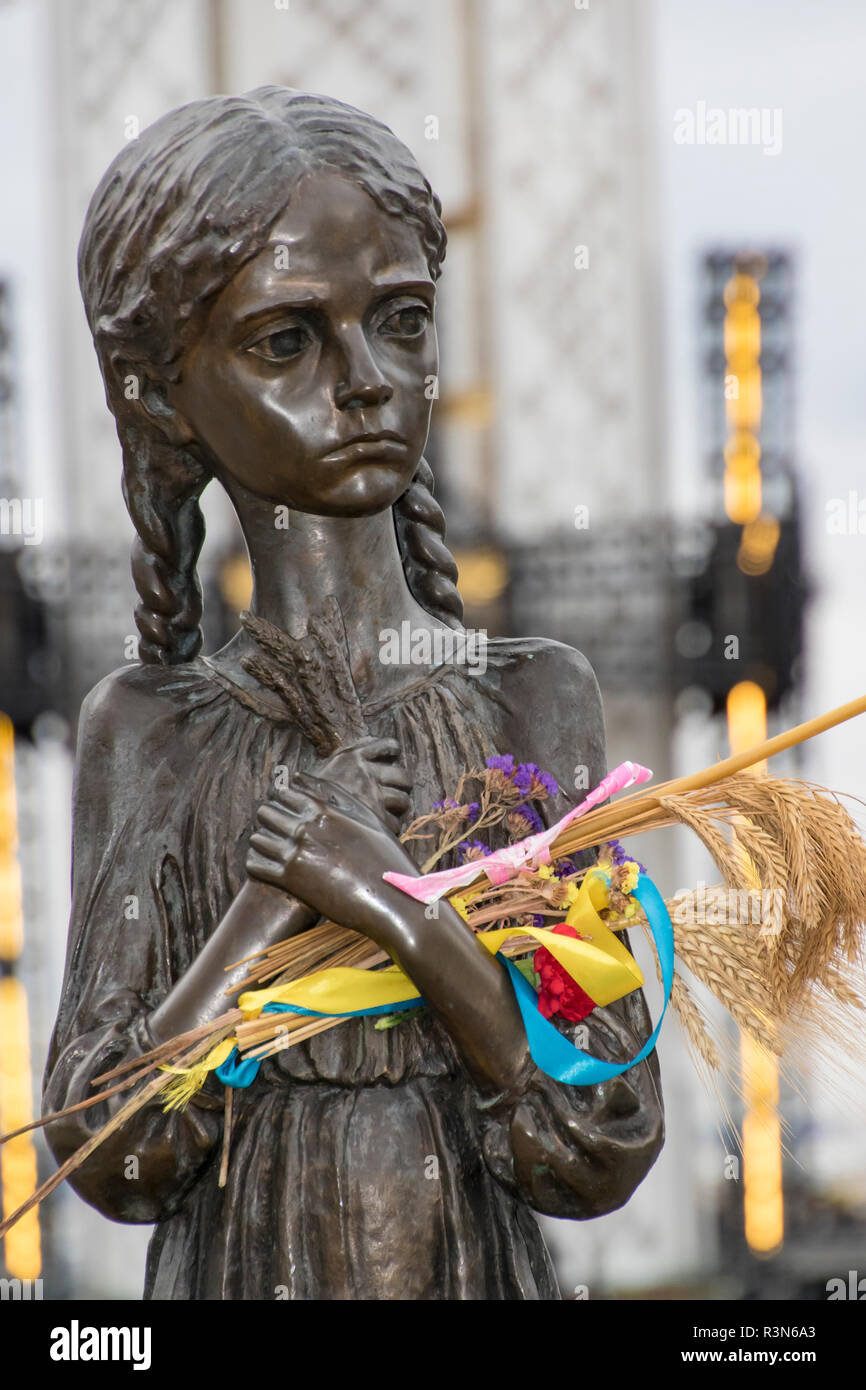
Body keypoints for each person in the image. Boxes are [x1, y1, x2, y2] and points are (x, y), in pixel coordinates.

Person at [43, 88, 663, 1300]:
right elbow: (111, 1154)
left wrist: (401, 912)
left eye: (400, 320)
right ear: (157, 395)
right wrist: (263, 911)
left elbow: (598, 1134)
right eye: (287, 339)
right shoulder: (149, 728)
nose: (367, 379)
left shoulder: (530, 704)